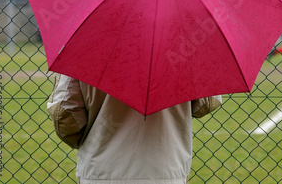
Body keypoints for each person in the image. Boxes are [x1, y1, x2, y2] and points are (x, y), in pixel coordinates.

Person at [48, 74, 222, 183]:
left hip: (102, 171)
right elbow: (205, 104)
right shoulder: (183, 43)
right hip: (166, 170)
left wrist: (88, 140)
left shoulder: (85, 44)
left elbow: (65, 115)